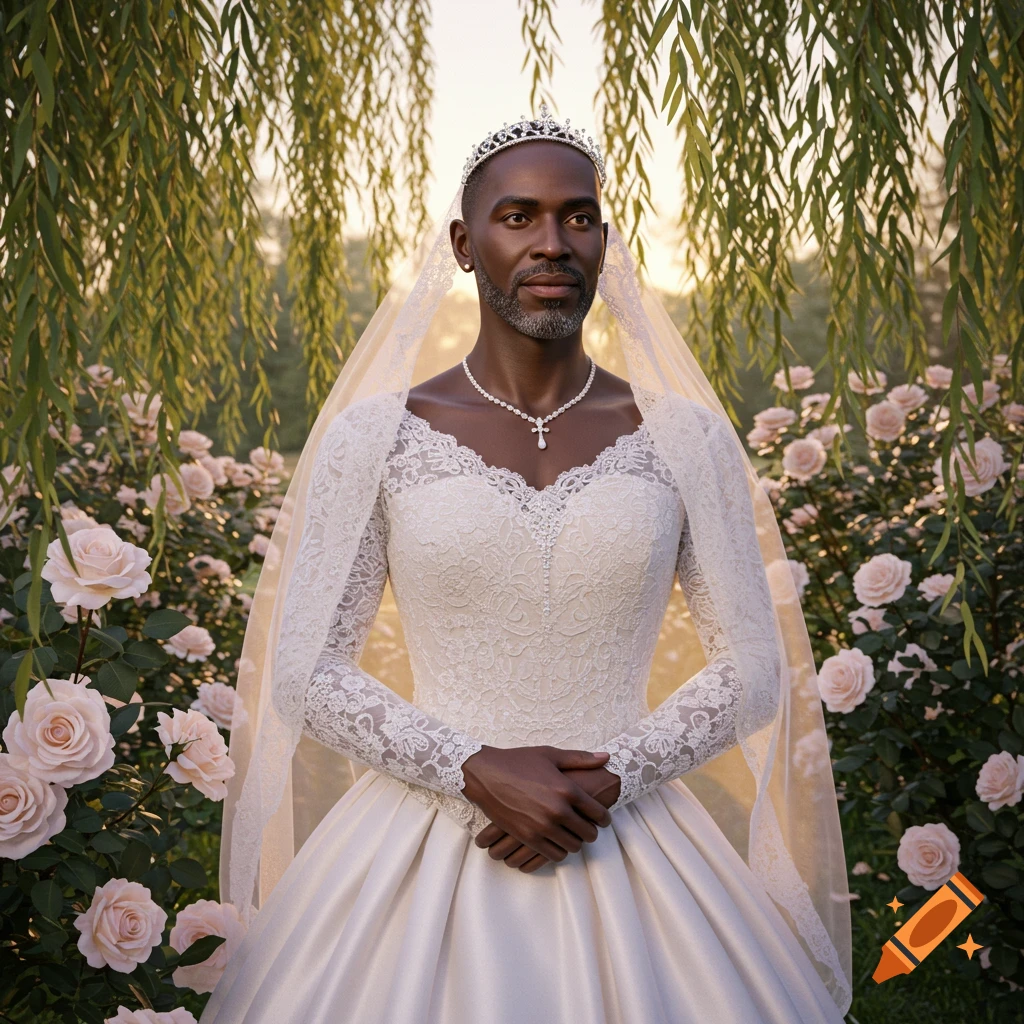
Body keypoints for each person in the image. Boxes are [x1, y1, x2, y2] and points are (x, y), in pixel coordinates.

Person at [203, 106, 852, 1023]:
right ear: (465, 245)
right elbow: (306, 667)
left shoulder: (684, 438)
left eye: (577, 217)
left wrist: (617, 772)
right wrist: (471, 766)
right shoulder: (376, 438)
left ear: (603, 243)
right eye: (519, 217)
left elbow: (751, 670)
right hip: (419, 840)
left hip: (633, 834)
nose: (553, 242)